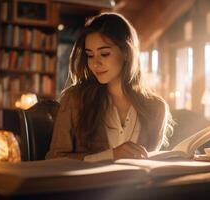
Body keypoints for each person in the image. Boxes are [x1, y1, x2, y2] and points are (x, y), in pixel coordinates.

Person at [45, 12, 172, 162]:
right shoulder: (75, 99)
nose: (95, 63)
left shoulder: (155, 108)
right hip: (87, 186)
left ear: (126, 52)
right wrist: (109, 155)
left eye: (104, 54)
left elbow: (150, 166)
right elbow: (54, 159)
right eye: (90, 55)